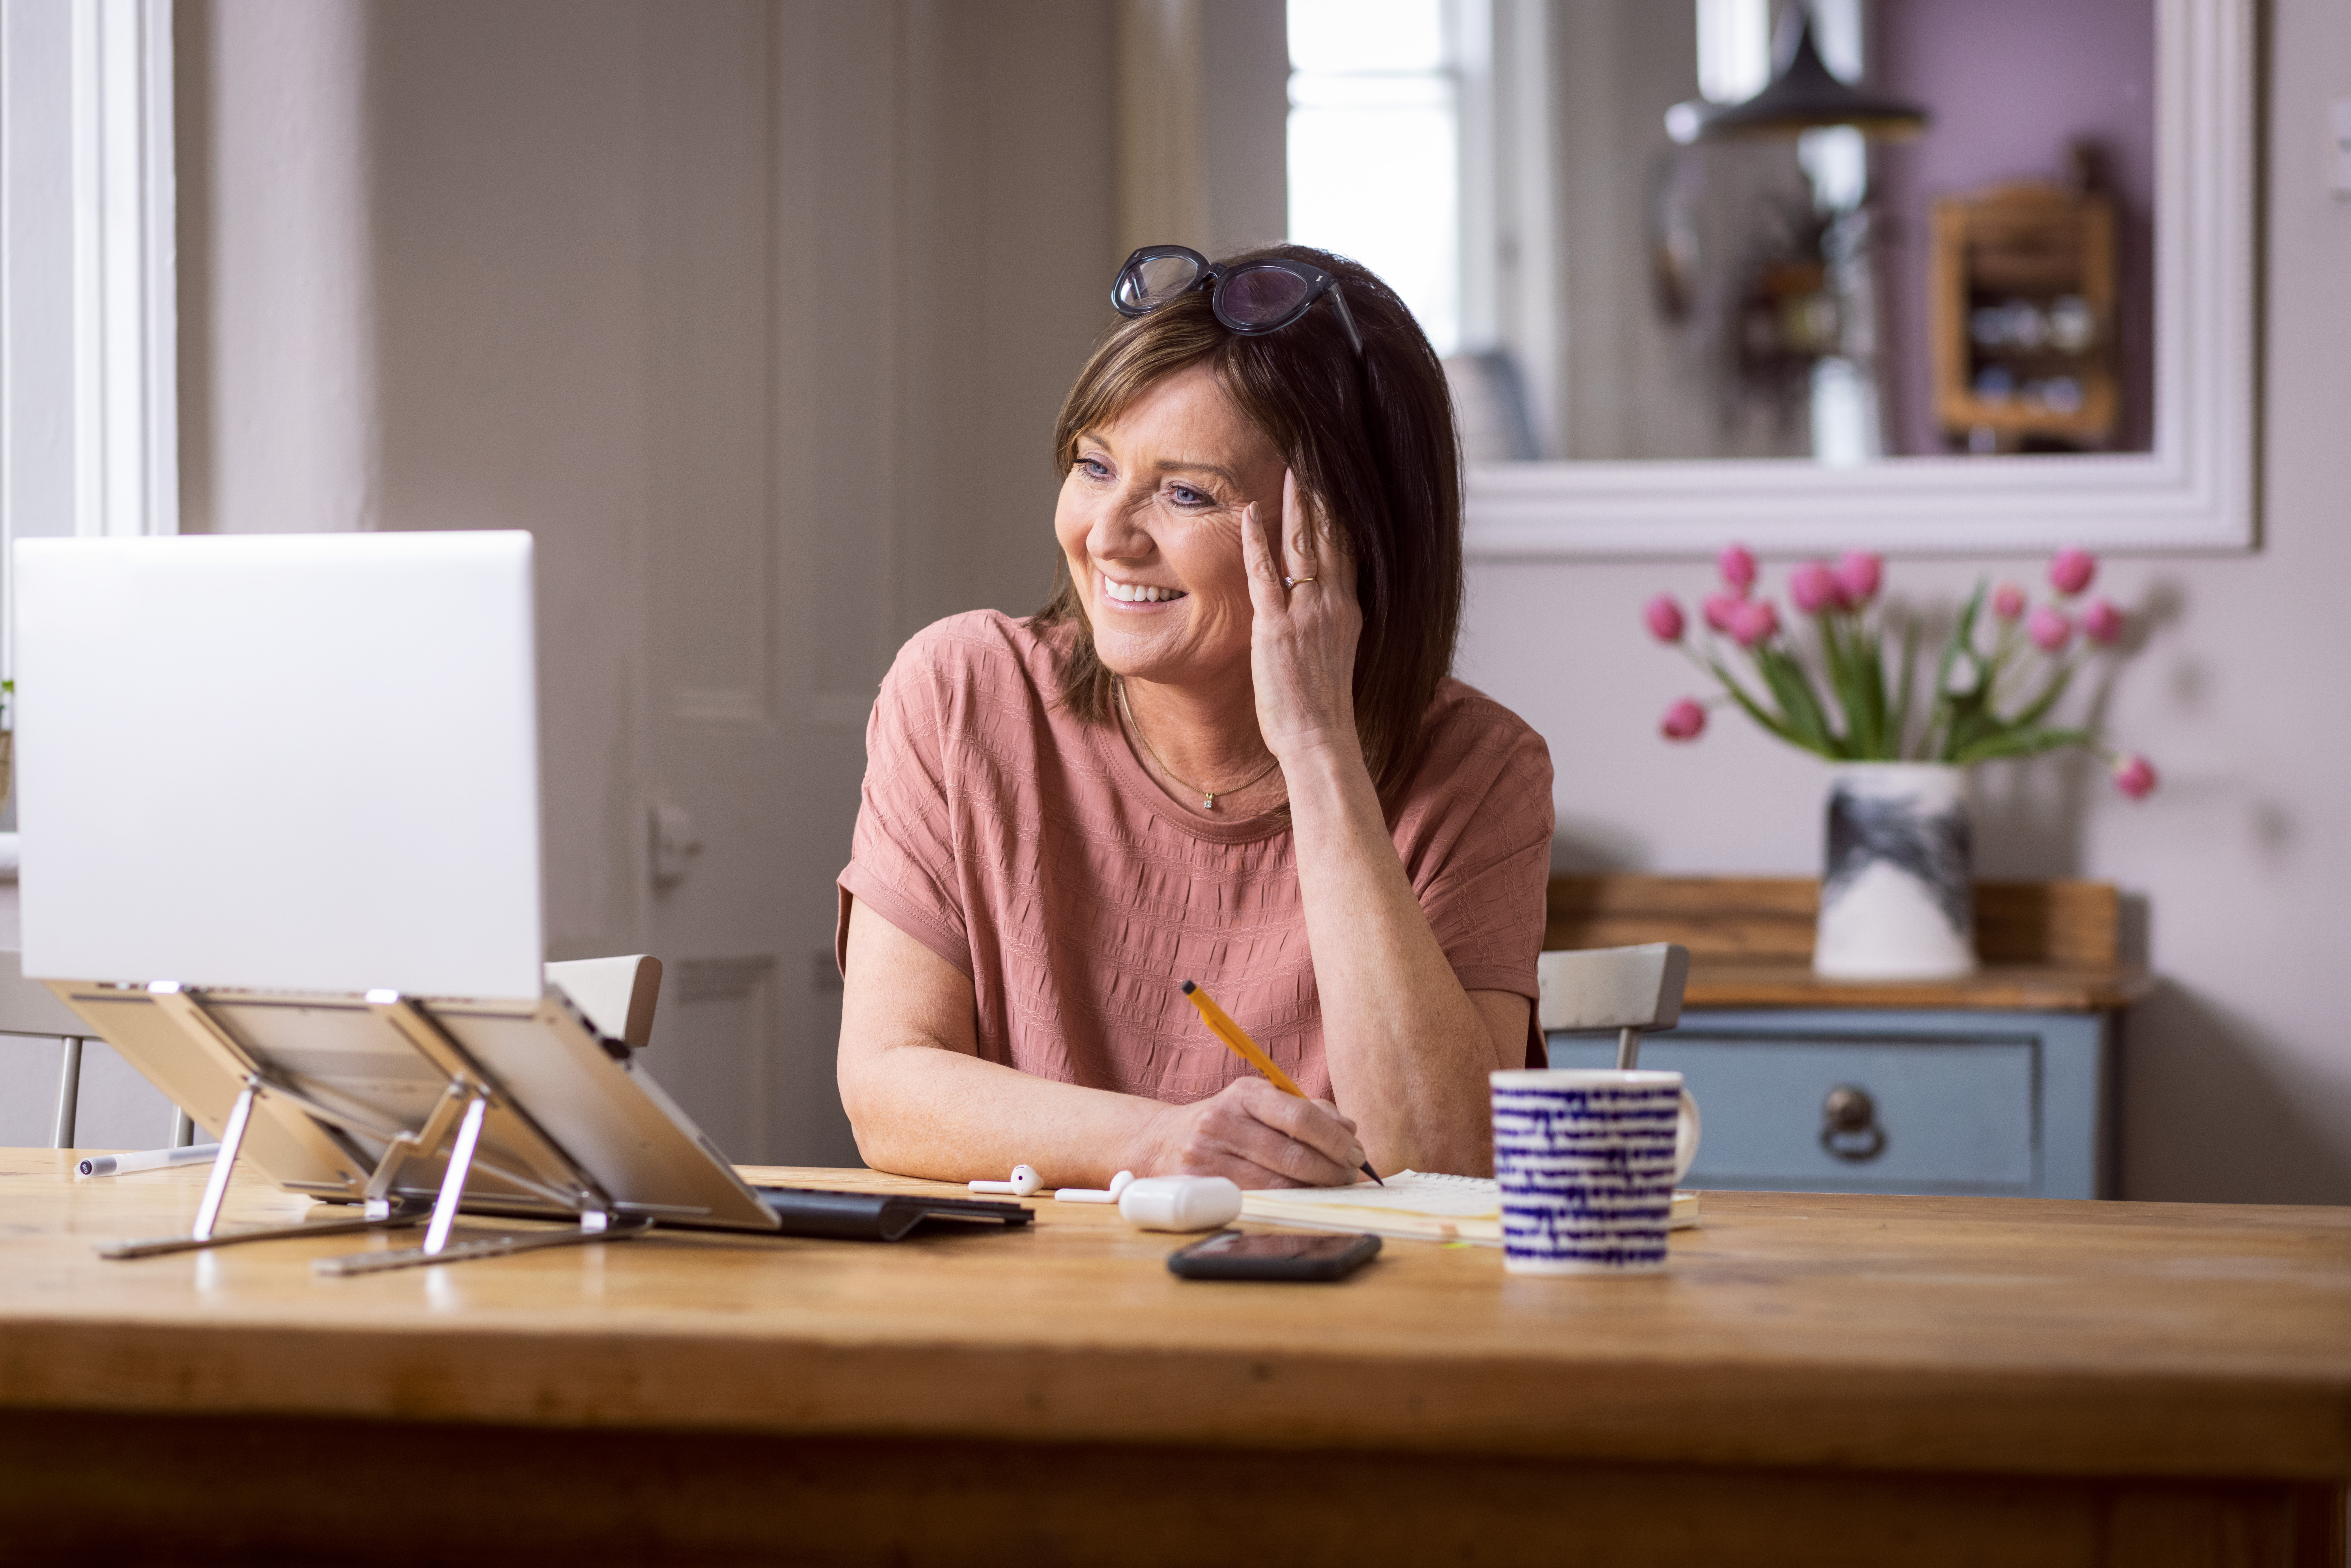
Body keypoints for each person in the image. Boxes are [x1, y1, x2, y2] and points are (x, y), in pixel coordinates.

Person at [835, 244, 1553, 1189]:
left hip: (1344, 1321)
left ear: (1339, 539)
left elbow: (1445, 1156)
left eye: (1186, 493)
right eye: (1095, 466)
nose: (1109, 536)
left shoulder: (1480, 767)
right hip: (1033, 1317)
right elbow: (888, 1088)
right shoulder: (964, 693)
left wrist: (1319, 747)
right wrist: (1158, 1145)